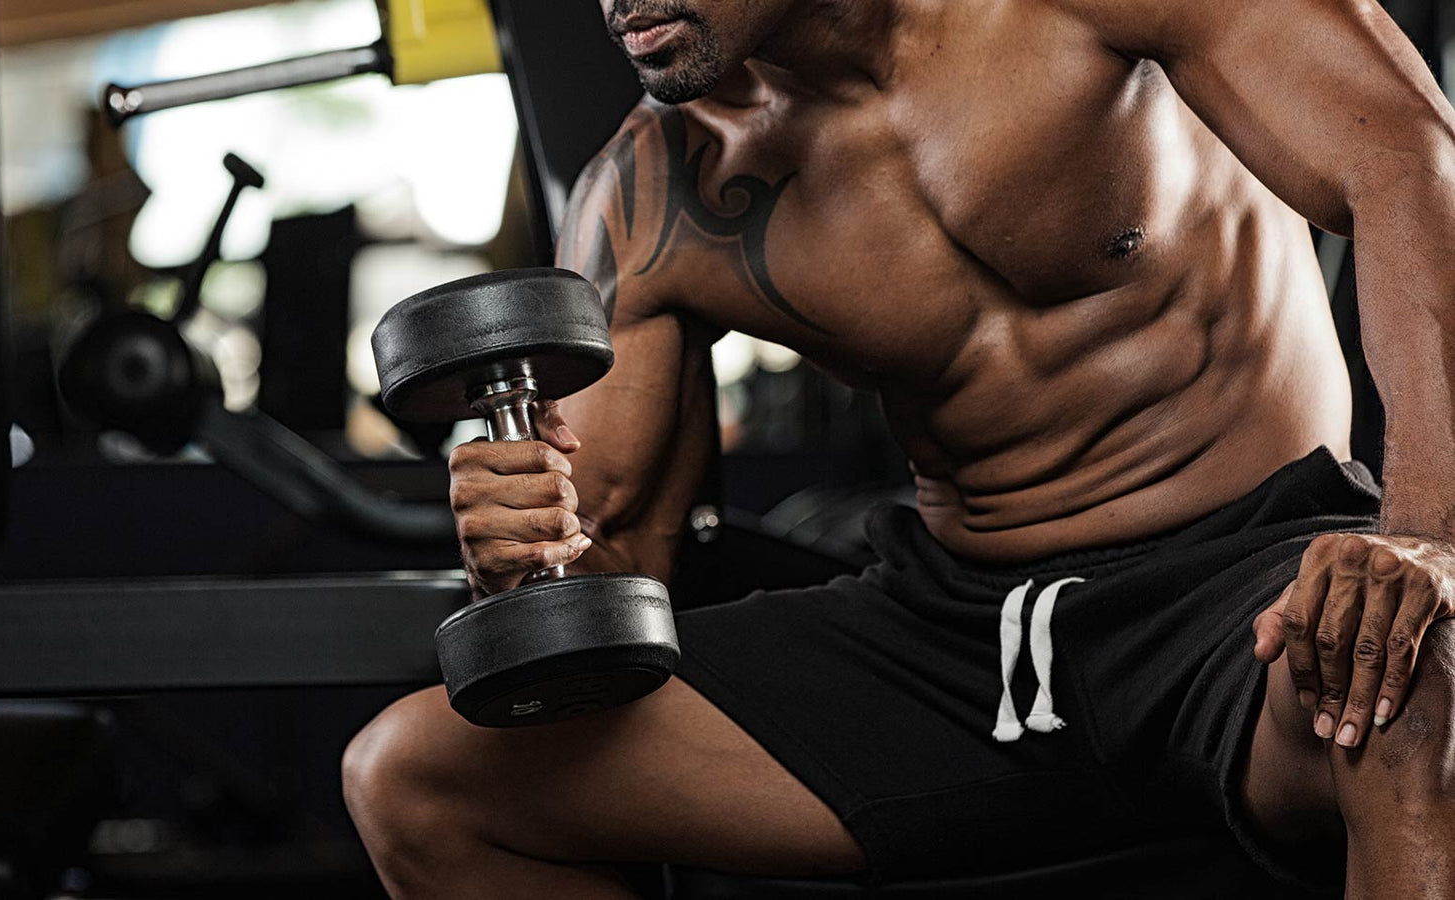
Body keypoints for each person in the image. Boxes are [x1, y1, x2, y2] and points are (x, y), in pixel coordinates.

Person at [342, 0, 1455, 895]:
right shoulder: (651, 194)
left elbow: (1409, 161)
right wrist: (518, 552)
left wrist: (1426, 535)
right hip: (953, 640)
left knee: (1418, 681)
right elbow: (605, 574)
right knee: (417, 778)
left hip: (1232, 592)